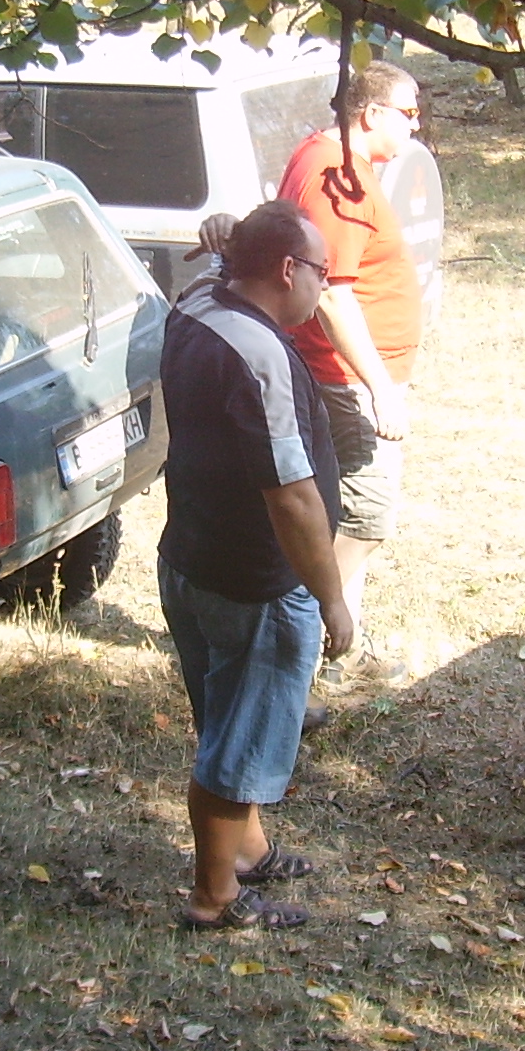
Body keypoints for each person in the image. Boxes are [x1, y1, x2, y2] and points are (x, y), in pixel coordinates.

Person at [159, 200, 357, 930]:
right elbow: (292, 496)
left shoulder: (196, 306)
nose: (324, 287)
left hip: (190, 558)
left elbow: (228, 260)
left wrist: (226, 233)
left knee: (224, 718)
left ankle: (247, 851)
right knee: (237, 743)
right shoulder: (260, 353)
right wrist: (331, 597)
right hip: (255, 581)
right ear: (287, 270)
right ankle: (216, 899)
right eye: (322, 273)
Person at [198, 62, 424, 634]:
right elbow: (331, 294)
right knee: (366, 515)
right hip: (345, 377)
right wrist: (380, 389)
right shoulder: (335, 177)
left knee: (343, 511)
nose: (417, 124)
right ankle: (308, 625)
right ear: (372, 114)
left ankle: (341, 648)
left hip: (351, 374)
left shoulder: (331, 159)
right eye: (409, 112)